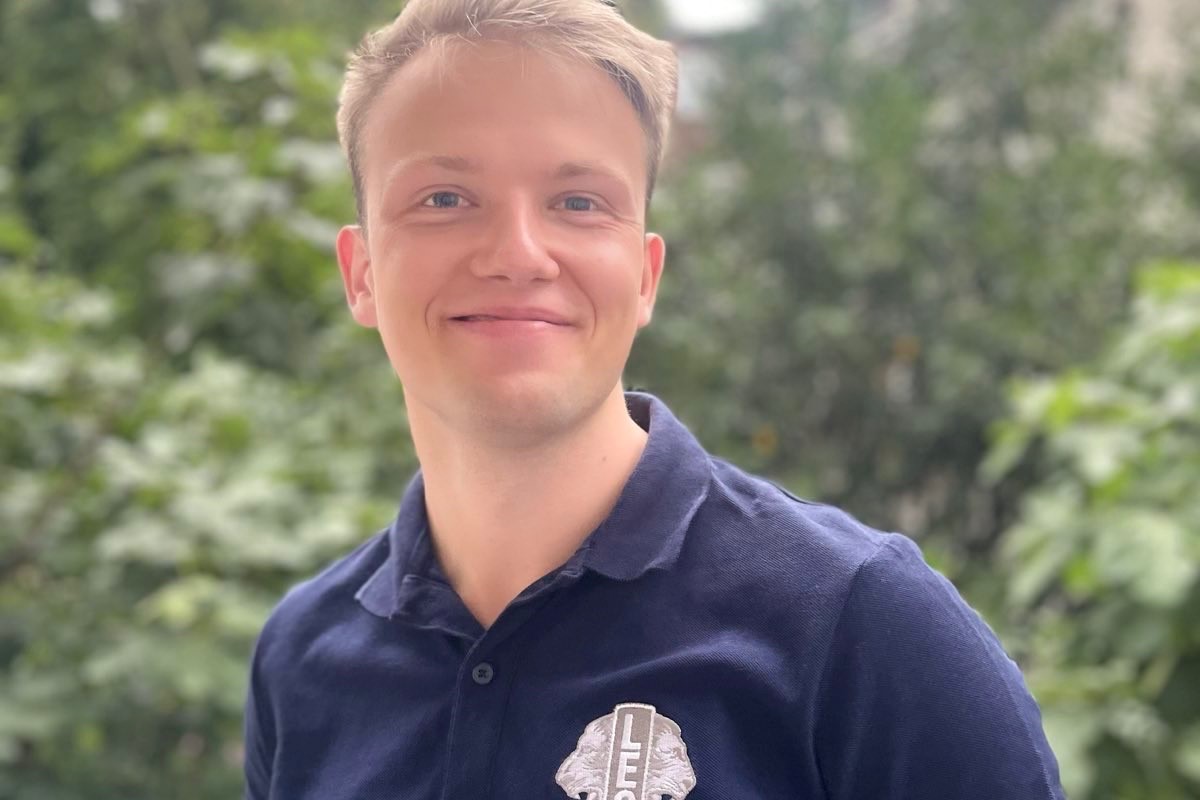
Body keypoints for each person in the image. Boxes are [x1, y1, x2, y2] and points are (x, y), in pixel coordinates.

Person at [243, 1, 1066, 797]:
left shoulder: (863, 630)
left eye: (578, 202)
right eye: (444, 199)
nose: (519, 254)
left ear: (644, 277)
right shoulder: (300, 661)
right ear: (360, 274)